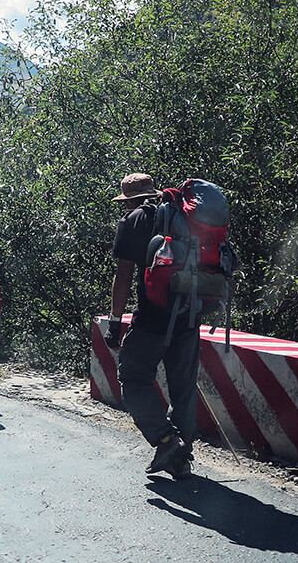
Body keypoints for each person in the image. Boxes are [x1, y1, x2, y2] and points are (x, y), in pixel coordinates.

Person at [105, 172, 198, 480]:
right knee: (183, 388)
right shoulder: (185, 214)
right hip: (190, 316)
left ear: (130, 199)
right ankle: (180, 458)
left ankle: (167, 440)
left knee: (132, 378)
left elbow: (123, 277)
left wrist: (115, 322)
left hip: (152, 319)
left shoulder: (134, 220)